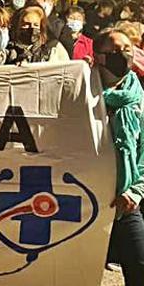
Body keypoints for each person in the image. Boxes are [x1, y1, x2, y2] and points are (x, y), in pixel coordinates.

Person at [94, 29, 144, 285]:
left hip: (124, 201)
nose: (123, 55)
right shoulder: (80, 92)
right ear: (98, 57)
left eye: (127, 48)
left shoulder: (139, 97)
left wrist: (136, 190)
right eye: (114, 51)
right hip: (85, 198)